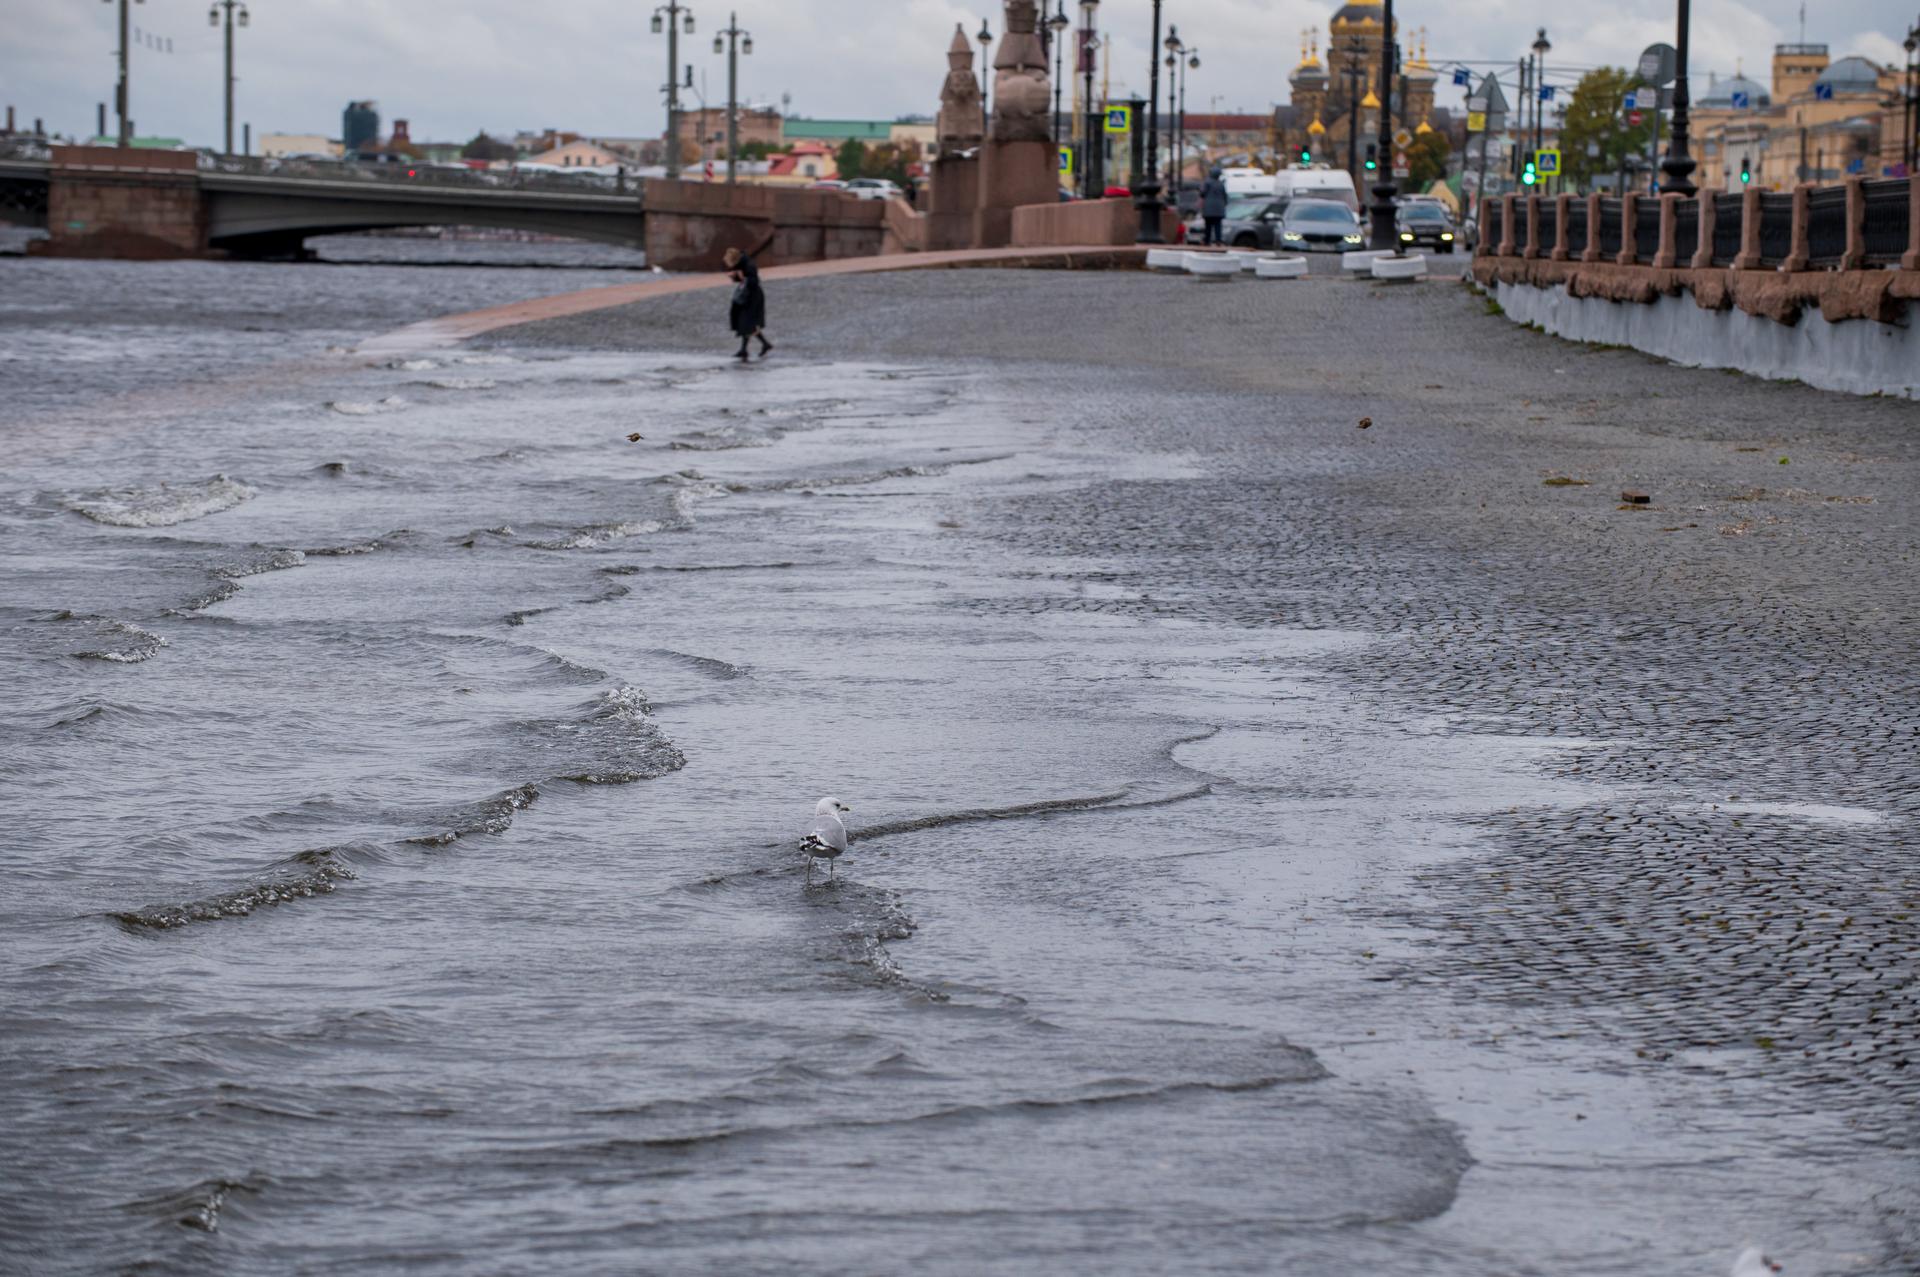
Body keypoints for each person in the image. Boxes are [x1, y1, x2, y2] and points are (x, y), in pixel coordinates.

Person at [723, 245, 772, 362]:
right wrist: (735, 277)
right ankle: (748, 348)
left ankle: (758, 346)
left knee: (747, 323)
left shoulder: (749, 265)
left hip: (753, 297)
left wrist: (741, 277)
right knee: (746, 323)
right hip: (748, 296)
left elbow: (754, 281)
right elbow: (745, 280)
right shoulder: (743, 264)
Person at [1199, 167, 1228, 247]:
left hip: (1208, 209)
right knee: (1218, 226)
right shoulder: (1221, 184)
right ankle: (1218, 241)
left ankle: (1207, 241)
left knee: (1208, 226)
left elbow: (1202, 193)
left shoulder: (1207, 182)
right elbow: (1225, 196)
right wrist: (1224, 204)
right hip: (1219, 209)